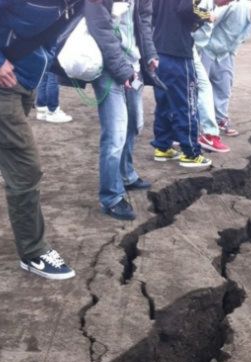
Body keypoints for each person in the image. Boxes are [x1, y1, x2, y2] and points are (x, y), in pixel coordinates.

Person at [0, 0, 80, 279]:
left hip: (24, 82)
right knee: (25, 168)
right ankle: (34, 252)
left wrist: (40, 64)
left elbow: (52, 35)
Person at [86, 0, 158, 221]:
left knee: (134, 123)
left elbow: (144, 21)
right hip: (108, 69)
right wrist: (121, 70)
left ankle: (126, 174)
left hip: (133, 66)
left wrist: (150, 53)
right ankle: (111, 197)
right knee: (115, 134)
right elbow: (100, 29)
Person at [200, 0, 251, 137]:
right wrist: (199, 48)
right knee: (200, 88)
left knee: (224, 88)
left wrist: (231, 56)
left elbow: (239, 40)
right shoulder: (235, 7)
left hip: (225, 55)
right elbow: (211, 23)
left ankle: (220, 120)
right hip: (206, 50)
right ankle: (197, 124)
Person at [151, 0, 212, 170]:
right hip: (179, 55)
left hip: (159, 51)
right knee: (187, 103)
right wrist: (206, 15)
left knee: (164, 102)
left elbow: (153, 14)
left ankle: (162, 146)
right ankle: (191, 153)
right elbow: (186, 8)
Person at [193, 0, 233, 154]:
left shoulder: (213, 5)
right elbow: (185, 12)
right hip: (186, 49)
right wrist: (206, 16)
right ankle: (209, 134)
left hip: (192, 49)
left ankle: (175, 133)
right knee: (203, 87)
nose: (227, 4)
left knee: (191, 88)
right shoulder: (203, 3)